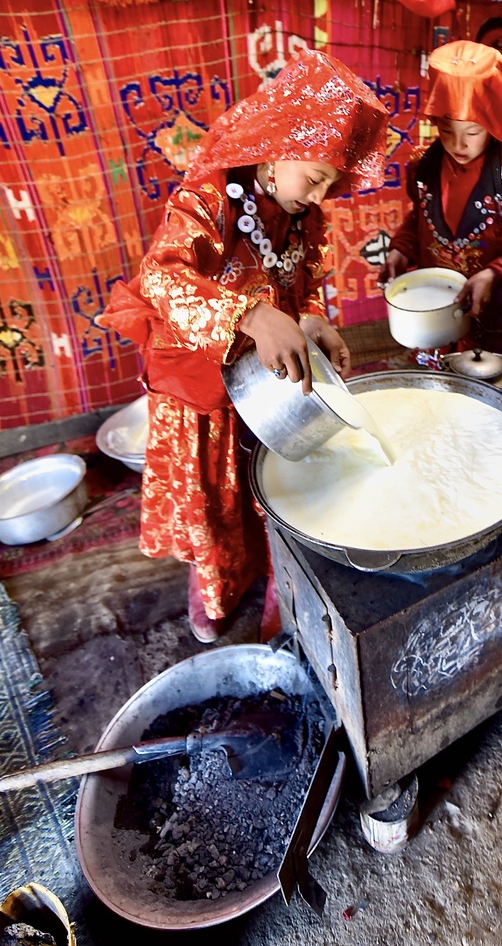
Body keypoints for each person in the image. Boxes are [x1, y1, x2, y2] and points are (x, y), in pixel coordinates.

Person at [99, 49, 389, 642]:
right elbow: (160, 278)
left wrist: (308, 319)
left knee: (274, 497)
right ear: (280, 145)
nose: (318, 194)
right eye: (314, 178)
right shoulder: (210, 195)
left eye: (330, 185)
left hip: (261, 384)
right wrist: (252, 315)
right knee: (217, 510)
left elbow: (300, 282)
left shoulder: (304, 215)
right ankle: (216, 600)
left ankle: (281, 600)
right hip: (198, 384)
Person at [378, 39, 502, 354]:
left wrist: (496, 272)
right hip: (434, 317)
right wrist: (400, 250)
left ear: (492, 123)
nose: (458, 145)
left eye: (472, 132)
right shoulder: (423, 167)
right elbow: (419, 221)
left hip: (495, 320)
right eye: (446, 130)